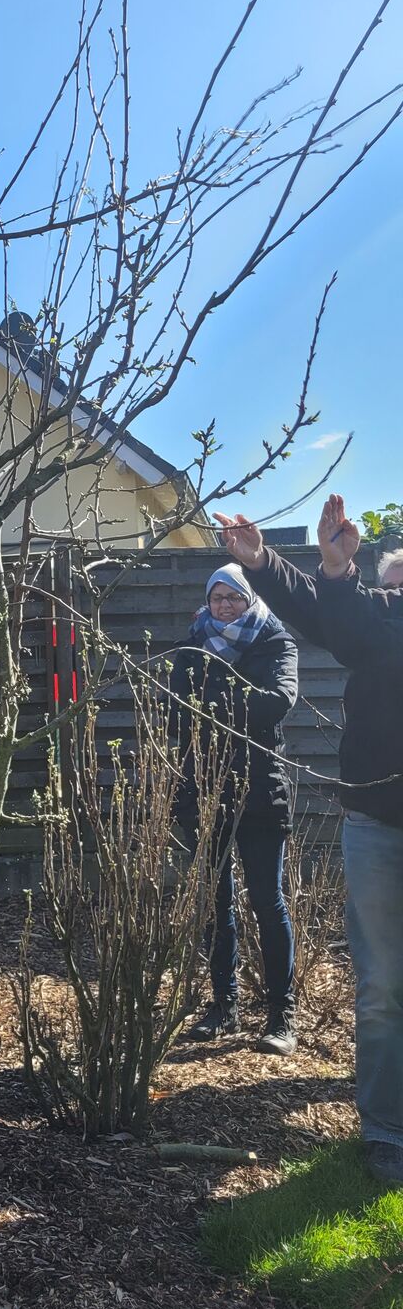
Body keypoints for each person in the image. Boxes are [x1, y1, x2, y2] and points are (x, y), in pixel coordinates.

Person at [215, 496, 403, 1186]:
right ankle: (386, 1130)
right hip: (378, 821)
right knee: (384, 985)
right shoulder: (380, 620)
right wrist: (281, 562)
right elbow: (331, 618)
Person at [169, 565, 300, 1055]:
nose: (224, 606)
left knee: (268, 901)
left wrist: (216, 694)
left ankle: (281, 1016)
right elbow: (179, 713)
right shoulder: (191, 646)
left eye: (233, 598)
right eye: (217, 598)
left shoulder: (276, 644)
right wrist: (229, 700)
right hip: (204, 789)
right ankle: (224, 1007)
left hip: (261, 793)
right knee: (214, 902)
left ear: (249, 599)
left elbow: (278, 703)